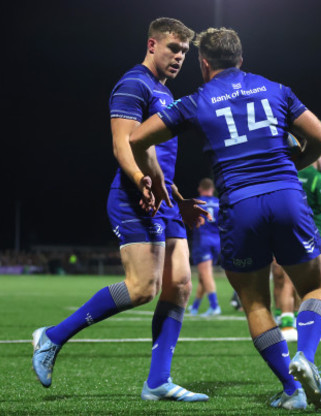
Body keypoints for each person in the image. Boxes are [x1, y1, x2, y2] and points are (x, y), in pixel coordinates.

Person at [128, 27, 321, 411]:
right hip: (286, 195)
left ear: (204, 64)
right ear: (241, 59)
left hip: (239, 205)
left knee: (255, 302)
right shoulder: (276, 89)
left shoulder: (195, 100)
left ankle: (292, 387)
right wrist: (291, 164)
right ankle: (305, 354)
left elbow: (137, 139)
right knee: (316, 286)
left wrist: (155, 182)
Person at [31, 17, 210, 402]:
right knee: (143, 289)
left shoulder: (164, 92)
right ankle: (52, 336)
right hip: (133, 196)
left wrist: (178, 200)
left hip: (163, 200)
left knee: (179, 286)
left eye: (184, 52)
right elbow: (122, 144)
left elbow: (157, 160)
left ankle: (158, 382)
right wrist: (139, 179)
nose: (179, 57)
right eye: (173, 49)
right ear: (151, 45)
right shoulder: (133, 84)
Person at [272, 155, 321, 341]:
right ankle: (296, 327)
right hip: (310, 236)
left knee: (283, 279)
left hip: (281, 233)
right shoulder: (318, 179)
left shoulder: (285, 175)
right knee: (314, 284)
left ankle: (287, 321)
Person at [188, 178, 222, 316]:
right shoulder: (219, 203)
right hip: (217, 241)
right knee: (204, 276)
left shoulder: (196, 203)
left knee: (206, 274)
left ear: (200, 189)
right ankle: (195, 307)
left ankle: (215, 306)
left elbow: (191, 221)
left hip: (202, 240)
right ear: (212, 189)